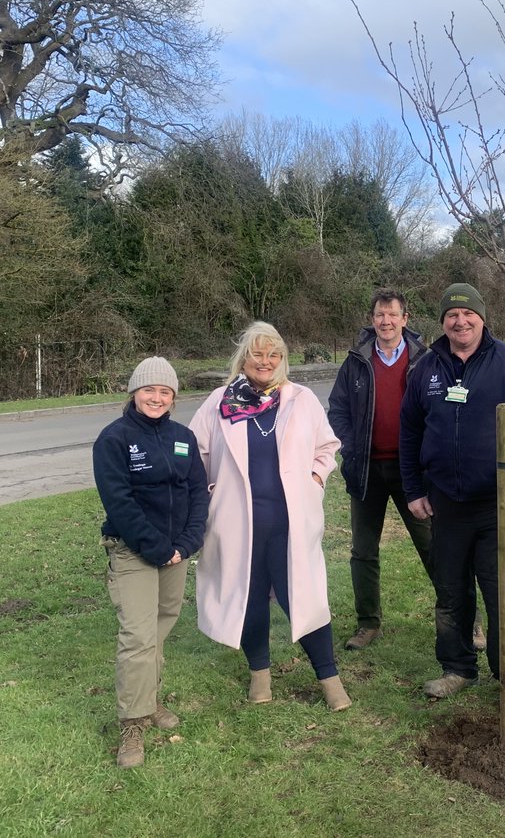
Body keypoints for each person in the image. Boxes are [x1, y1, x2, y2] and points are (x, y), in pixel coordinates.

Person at [400, 283, 505, 701]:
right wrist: (414, 488)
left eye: (468, 315)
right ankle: (457, 668)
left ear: (483, 318)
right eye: (452, 315)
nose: (460, 321)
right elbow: (410, 432)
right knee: (450, 592)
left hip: (501, 504)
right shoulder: (427, 369)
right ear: (442, 321)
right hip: (445, 503)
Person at [189, 322, 351, 712]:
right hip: (237, 525)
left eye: (273, 354)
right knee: (249, 600)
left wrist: (314, 479)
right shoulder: (218, 403)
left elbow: (328, 446)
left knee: (306, 600)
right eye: (257, 354)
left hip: (290, 524)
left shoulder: (302, 399)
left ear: (283, 359)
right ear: (244, 358)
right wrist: (211, 492)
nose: (266, 361)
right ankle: (260, 673)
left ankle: (329, 678)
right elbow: (195, 454)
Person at [92, 356, 209, 768]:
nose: (156, 398)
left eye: (165, 392)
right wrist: (158, 547)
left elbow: (198, 491)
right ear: (134, 393)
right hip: (133, 550)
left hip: (176, 551)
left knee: (160, 629)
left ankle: (150, 699)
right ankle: (132, 724)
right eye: (149, 390)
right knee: (138, 637)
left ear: (173, 397)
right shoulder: (114, 439)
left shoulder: (182, 436)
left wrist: (188, 541)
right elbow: (119, 503)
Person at [327, 289, 439, 650]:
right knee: (362, 551)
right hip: (367, 471)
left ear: (406, 319)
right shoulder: (356, 361)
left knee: (436, 547)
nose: (385, 321)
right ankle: (368, 623)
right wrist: (349, 445)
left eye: (392, 315)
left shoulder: (426, 359)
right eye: (379, 315)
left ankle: (465, 621)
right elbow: (337, 410)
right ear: (372, 319)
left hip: (414, 472)